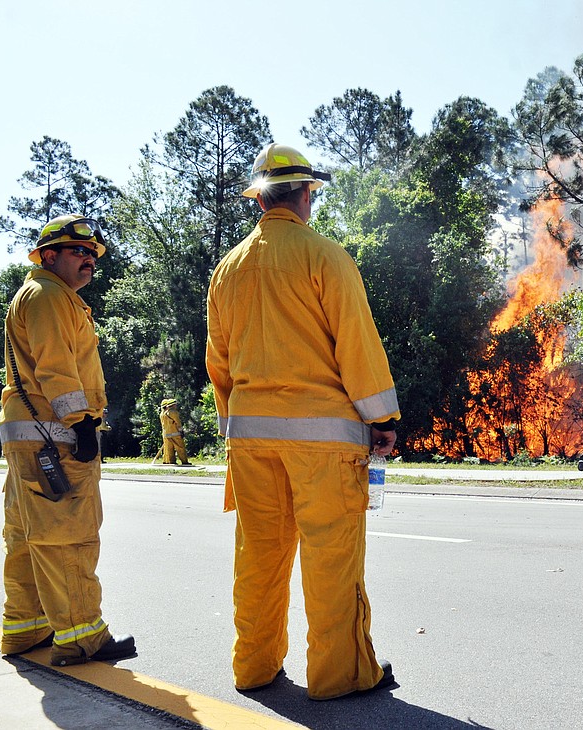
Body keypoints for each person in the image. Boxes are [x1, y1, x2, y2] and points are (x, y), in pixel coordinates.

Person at [206, 143, 400, 700]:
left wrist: (236, 423)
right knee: (330, 559)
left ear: (261, 198)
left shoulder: (228, 270)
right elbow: (357, 347)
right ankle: (339, 676)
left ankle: (254, 666)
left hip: (250, 442)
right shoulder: (325, 257)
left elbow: (218, 362)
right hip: (323, 446)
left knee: (259, 556)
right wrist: (382, 419)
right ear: (306, 193)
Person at [0, 214, 135, 667]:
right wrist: (80, 425)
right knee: (67, 535)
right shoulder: (50, 296)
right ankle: (82, 639)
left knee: (26, 537)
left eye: (93, 254)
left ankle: (26, 628)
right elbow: (56, 365)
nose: (90, 260)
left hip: (31, 434)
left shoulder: (40, 295)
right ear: (49, 255)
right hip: (55, 436)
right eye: (80, 251)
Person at [158, 398, 192, 465]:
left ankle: (171, 462)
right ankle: (184, 462)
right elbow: (178, 423)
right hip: (175, 434)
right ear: (173, 405)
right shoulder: (173, 412)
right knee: (180, 448)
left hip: (167, 434)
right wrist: (181, 431)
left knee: (169, 449)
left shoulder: (163, 414)